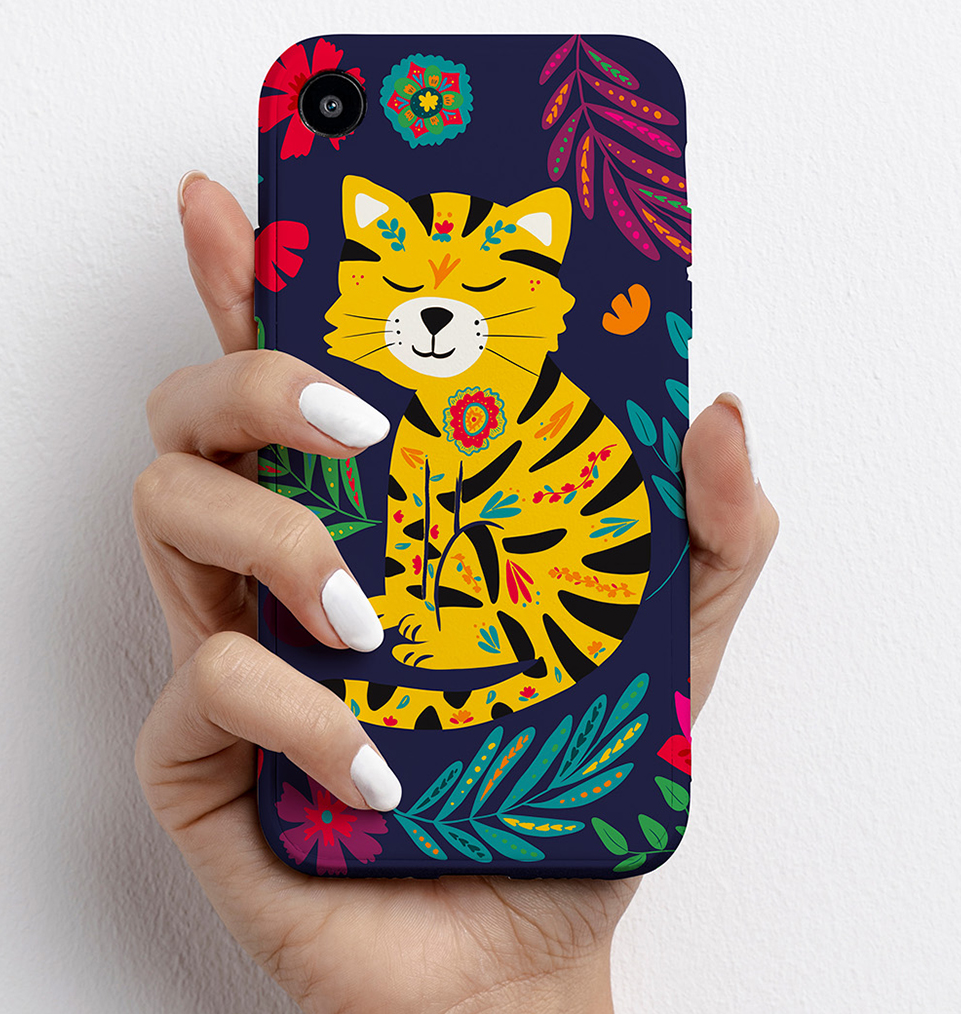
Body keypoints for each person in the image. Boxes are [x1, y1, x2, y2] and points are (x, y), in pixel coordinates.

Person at [131, 171, 779, 1014]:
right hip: (471, 649)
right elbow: (421, 534)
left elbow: (470, 529)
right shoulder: (426, 412)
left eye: (478, 291)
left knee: (480, 529)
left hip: (544, 613)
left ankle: (468, 641)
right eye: (403, 285)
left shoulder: (519, 409)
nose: (436, 311)